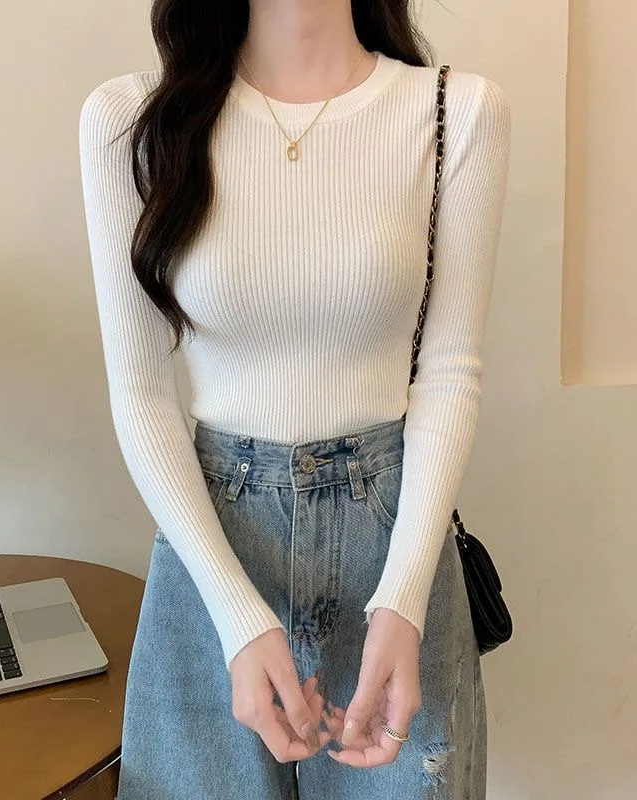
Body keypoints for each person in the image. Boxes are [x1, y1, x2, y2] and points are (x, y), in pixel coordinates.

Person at [78, 1, 511, 797]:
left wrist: (404, 602)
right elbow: (140, 392)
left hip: (394, 549)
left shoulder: (458, 111)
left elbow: (449, 373)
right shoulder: (131, 121)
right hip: (214, 551)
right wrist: (239, 620)